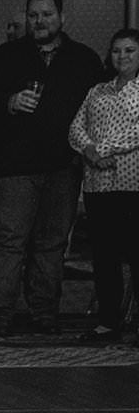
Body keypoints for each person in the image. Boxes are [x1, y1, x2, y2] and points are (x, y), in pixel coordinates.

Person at [0, 0, 101, 335]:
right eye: (33, 15)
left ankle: (45, 311)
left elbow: (99, 108)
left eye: (46, 14)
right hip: (16, 165)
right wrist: (9, 100)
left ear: (62, 18)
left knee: (52, 243)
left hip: (63, 166)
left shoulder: (84, 59)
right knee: (9, 241)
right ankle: (0, 312)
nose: (39, 21)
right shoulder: (6, 56)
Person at [69, 28, 139, 345]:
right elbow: (76, 127)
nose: (122, 56)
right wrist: (90, 152)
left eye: (129, 50)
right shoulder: (98, 90)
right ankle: (108, 322)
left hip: (132, 184)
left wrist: (103, 150)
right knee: (104, 257)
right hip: (98, 185)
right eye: (116, 51)